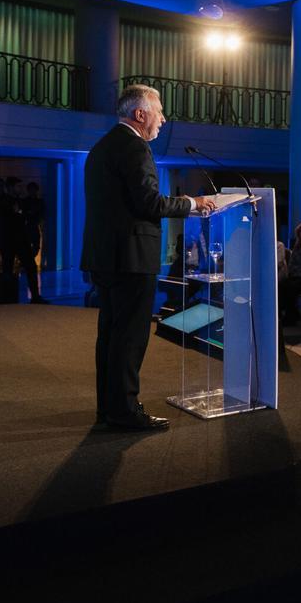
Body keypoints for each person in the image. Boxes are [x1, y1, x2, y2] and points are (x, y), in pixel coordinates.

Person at [81, 84, 215, 430]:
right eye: (159, 111)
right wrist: (193, 203)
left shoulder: (102, 146)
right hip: (131, 258)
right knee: (130, 337)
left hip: (106, 257)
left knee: (110, 336)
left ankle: (109, 410)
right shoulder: (134, 147)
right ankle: (125, 412)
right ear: (140, 114)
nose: (163, 119)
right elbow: (149, 204)